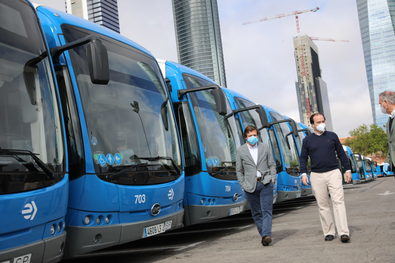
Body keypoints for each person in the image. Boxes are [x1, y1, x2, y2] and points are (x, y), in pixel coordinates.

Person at [300, 113, 352, 243]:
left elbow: (341, 153)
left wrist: (347, 169)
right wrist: (303, 173)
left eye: (323, 121)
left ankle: (343, 232)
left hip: (334, 172)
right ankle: (329, 232)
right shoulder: (307, 140)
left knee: (338, 202)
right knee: (323, 205)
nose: (321, 124)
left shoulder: (332, 136)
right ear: (312, 125)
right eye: (318, 122)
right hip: (317, 175)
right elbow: (303, 158)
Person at [236, 125, 276, 246]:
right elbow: (239, 170)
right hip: (250, 185)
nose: (253, 137)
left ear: (257, 135)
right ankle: (264, 233)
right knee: (256, 213)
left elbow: (272, 164)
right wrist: (243, 184)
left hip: (265, 183)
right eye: (250, 136)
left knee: (266, 210)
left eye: (254, 135)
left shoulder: (265, 147)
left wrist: (272, 178)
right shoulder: (240, 150)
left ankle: (266, 235)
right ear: (245, 138)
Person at [378, 91, 395, 170]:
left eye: (380, 104)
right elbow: (391, 142)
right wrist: (388, 161)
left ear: (386, 102)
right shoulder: (389, 120)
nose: (380, 106)